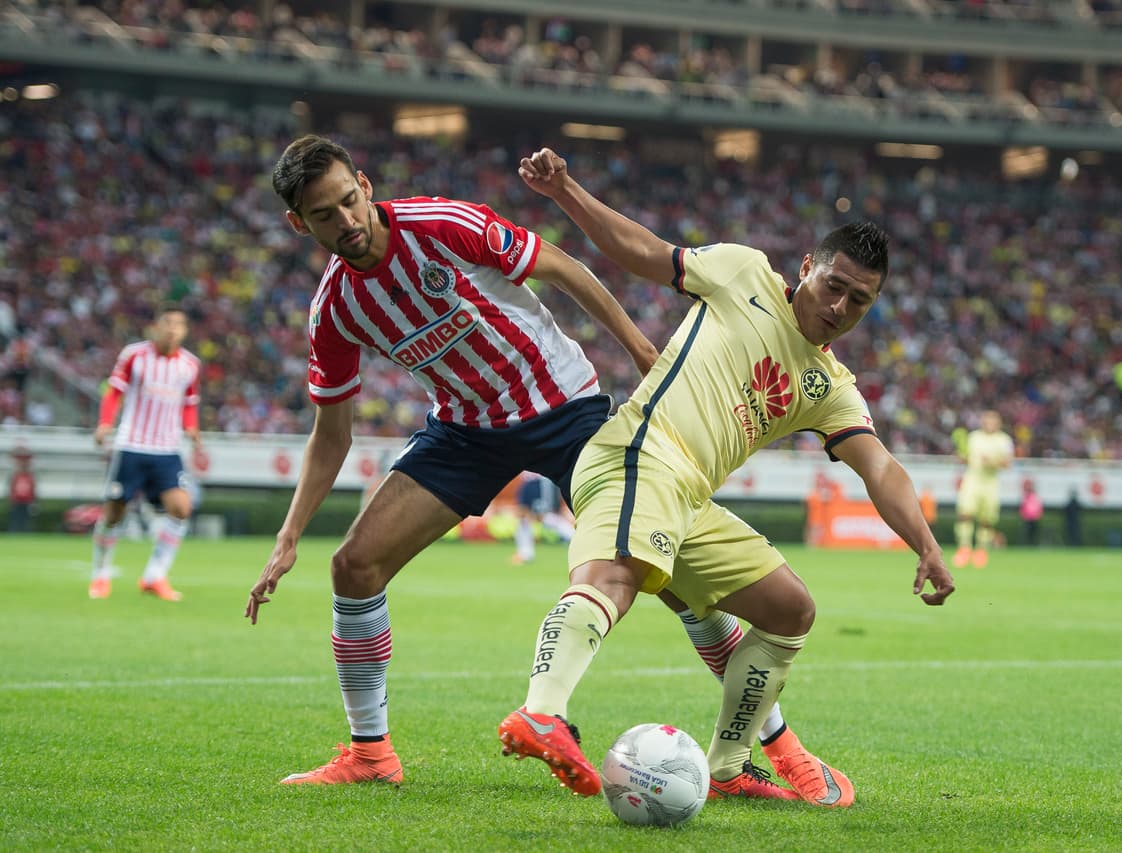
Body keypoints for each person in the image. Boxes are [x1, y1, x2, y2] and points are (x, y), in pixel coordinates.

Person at [245, 136, 851, 804]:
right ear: (300, 224)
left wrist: (640, 346)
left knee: (677, 577)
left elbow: (562, 267)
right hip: (467, 431)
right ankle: (369, 753)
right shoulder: (334, 309)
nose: (348, 221)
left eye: (350, 200)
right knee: (353, 565)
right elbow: (332, 431)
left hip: (565, 408)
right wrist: (288, 535)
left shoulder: (443, 225)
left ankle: (778, 745)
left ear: (364, 183)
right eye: (326, 215)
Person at [498, 148, 954, 805]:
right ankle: (541, 709)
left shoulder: (831, 386)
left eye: (861, 300)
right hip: (640, 451)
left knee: (790, 609)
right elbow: (644, 251)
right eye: (834, 285)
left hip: (689, 500)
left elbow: (878, 463)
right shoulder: (744, 273)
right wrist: (566, 190)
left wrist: (926, 540)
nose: (841, 306)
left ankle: (731, 763)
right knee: (614, 578)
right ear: (807, 268)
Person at [89, 304, 201, 601]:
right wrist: (104, 424)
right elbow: (114, 392)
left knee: (181, 509)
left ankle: (155, 576)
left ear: (185, 331)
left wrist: (192, 428)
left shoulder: (189, 365)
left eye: (179, 324)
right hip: (132, 445)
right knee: (114, 512)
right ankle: (100, 575)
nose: (172, 329)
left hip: (167, 449)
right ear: (156, 326)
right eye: (167, 323)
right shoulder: (134, 355)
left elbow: (189, 403)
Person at [952, 410, 1014, 568]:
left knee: (986, 520)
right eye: (987, 420)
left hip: (990, 482)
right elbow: (965, 457)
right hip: (972, 480)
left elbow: (1008, 463)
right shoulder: (973, 437)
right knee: (965, 513)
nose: (989, 423)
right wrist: (962, 457)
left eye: (993, 421)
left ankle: (981, 551)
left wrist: (992, 462)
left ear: (999, 423)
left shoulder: (1004, 440)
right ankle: (964, 548)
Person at [511, 472, 575, 565]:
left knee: (549, 519)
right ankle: (525, 554)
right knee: (525, 521)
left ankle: (579, 542)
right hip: (537, 482)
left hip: (539, 482)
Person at [8, 447, 36, 532]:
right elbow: (12, 488)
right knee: (15, 518)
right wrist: (11, 499)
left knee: (26, 519)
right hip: (17, 501)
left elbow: (33, 489)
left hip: (27, 501)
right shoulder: (15, 476)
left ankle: (25, 533)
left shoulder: (30, 477)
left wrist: (33, 501)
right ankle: (14, 532)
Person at [1019, 480, 1043, 546]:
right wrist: (1023, 514)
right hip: (1027, 518)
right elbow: (1023, 507)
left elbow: (1039, 507)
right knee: (1027, 533)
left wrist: (1038, 514)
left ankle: (1033, 544)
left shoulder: (1035, 497)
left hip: (1035, 518)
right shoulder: (1026, 497)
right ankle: (1028, 544)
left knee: (1034, 533)